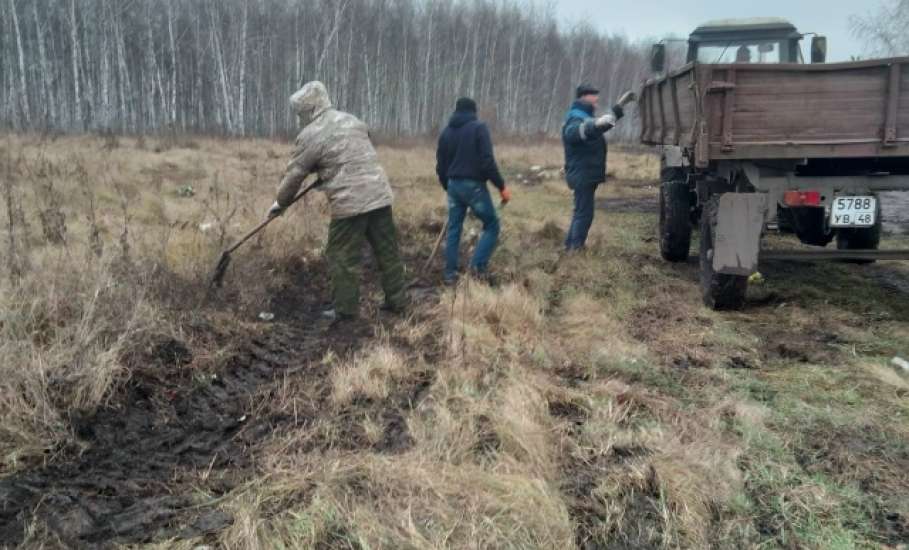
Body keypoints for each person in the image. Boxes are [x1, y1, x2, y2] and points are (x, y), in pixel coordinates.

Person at [267, 81, 406, 323]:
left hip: (350, 203)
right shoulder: (353, 121)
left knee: (342, 255)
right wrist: (326, 173)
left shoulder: (310, 135)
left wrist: (280, 202)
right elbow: (352, 155)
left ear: (307, 110)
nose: (299, 118)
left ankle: (345, 310)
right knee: (387, 251)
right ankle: (398, 302)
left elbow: (294, 175)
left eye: (300, 113)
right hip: (380, 195)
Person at [435, 97, 511, 284]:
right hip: (473, 186)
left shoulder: (446, 133)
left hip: (453, 185)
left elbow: (440, 166)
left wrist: (449, 186)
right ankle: (477, 269)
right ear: (473, 112)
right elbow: (487, 162)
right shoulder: (479, 128)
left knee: (454, 229)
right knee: (492, 225)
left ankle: (450, 274)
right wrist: (501, 186)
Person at [561, 83, 625, 251]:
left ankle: (570, 247)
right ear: (583, 97)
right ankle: (575, 249)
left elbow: (595, 129)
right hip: (582, 173)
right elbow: (573, 133)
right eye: (593, 95)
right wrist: (595, 124)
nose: (597, 98)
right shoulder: (576, 117)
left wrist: (615, 114)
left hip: (584, 172)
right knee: (584, 214)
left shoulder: (584, 115)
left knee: (580, 212)